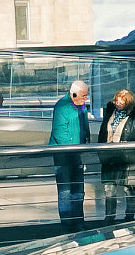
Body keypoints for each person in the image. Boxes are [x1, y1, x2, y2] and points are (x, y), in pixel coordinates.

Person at [98, 87, 135, 223]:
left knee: (129, 190)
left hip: (128, 158)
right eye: (117, 101)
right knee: (109, 189)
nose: (118, 104)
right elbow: (103, 132)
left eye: (122, 102)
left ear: (128, 103)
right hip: (110, 157)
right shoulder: (110, 113)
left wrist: (128, 143)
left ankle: (129, 218)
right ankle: (109, 218)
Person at [50, 80, 93, 230]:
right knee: (66, 191)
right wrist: (73, 150)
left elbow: (84, 126)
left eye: (86, 95)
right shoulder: (62, 106)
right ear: (73, 93)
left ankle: (79, 222)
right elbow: (59, 133)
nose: (85, 98)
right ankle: (67, 225)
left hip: (77, 154)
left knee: (78, 191)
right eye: (83, 95)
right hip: (64, 155)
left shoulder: (81, 107)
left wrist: (86, 142)